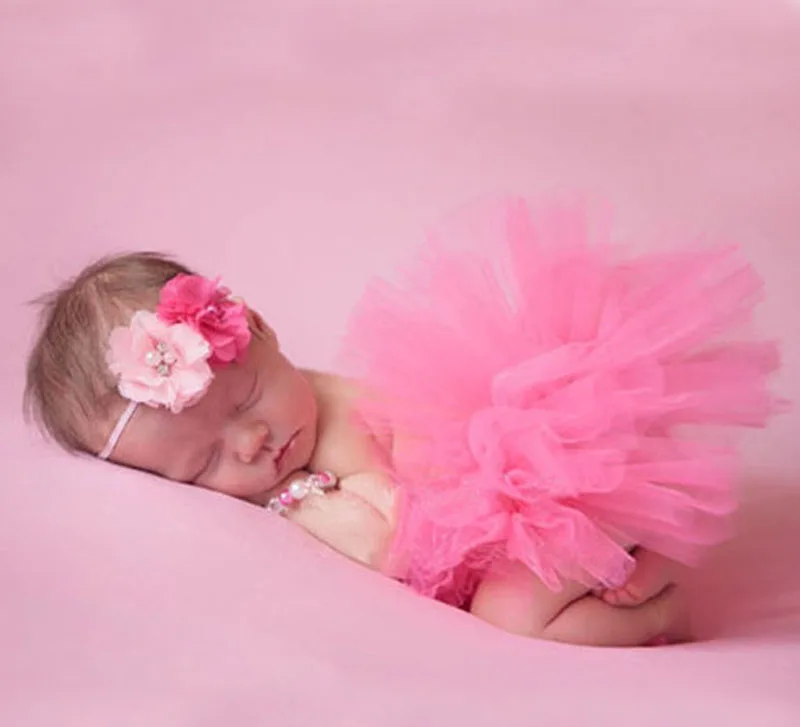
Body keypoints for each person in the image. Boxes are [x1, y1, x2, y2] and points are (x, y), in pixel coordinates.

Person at [24, 200, 782, 646]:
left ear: (262, 330)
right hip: (543, 523)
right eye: (203, 463)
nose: (251, 443)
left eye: (248, 400)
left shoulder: (346, 406)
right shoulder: (260, 493)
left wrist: (334, 497)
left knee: (513, 617)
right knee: (526, 598)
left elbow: (404, 519)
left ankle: (656, 596)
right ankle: (650, 569)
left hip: (552, 482)